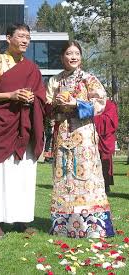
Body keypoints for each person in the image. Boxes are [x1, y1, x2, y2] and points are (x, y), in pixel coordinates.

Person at [0, 23, 46, 238]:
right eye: (21, 36)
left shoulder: (32, 68)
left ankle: (21, 220)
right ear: (9, 38)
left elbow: (41, 96)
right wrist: (11, 95)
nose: (25, 40)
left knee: (23, 173)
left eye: (28, 37)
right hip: (3, 125)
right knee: (0, 173)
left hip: (25, 126)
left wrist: (32, 98)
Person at [46, 40, 115, 238]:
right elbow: (47, 106)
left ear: (81, 57)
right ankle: (63, 226)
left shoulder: (89, 79)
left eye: (76, 53)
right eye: (69, 53)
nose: (73, 57)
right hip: (62, 135)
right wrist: (55, 104)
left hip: (83, 135)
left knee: (87, 178)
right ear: (62, 57)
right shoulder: (54, 81)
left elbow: (100, 104)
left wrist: (76, 102)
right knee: (64, 178)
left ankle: (93, 226)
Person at [94, 99, 118, 193]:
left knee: (105, 162)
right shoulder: (90, 102)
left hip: (106, 138)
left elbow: (112, 121)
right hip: (92, 136)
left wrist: (94, 118)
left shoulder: (109, 105)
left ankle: (106, 185)